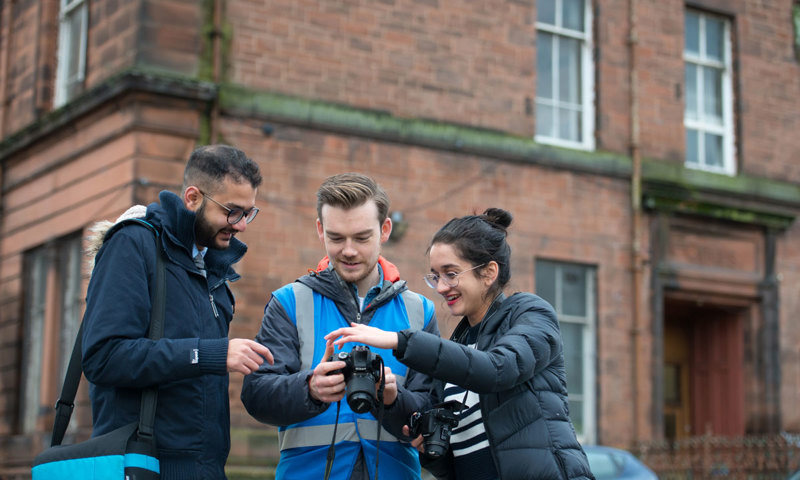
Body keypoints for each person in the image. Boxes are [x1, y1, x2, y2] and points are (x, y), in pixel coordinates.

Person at [326, 208, 595, 480]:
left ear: (489, 272)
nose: (441, 287)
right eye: (435, 276)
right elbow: (445, 452)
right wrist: (388, 398)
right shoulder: (458, 346)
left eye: (451, 274)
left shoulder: (531, 314)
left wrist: (399, 339)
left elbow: (496, 369)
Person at [82, 144, 274, 480]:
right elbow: (104, 356)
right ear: (192, 198)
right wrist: (213, 354)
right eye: (232, 211)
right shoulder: (133, 245)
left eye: (248, 213)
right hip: (142, 467)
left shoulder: (213, 269)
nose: (241, 225)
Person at [241, 173, 439, 480]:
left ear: (385, 230)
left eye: (361, 238)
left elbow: (431, 409)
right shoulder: (289, 302)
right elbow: (255, 396)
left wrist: (393, 399)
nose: (348, 250)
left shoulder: (420, 311)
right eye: (336, 238)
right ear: (320, 230)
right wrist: (309, 388)